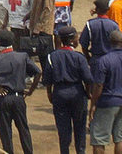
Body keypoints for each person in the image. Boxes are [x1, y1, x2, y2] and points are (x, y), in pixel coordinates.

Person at [0, 30, 39, 154]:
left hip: (3, 98)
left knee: (5, 130)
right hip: (19, 98)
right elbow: (38, 72)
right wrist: (31, 91)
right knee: (23, 128)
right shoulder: (22, 56)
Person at [88, 31, 122, 154]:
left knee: (99, 139)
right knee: (120, 138)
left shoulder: (104, 60)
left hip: (106, 103)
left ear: (110, 43)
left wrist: (93, 104)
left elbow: (98, 85)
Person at [44, 25, 93, 154]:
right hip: (77, 92)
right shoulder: (79, 57)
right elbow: (87, 78)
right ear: (72, 40)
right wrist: (88, 93)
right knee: (79, 127)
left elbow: (48, 78)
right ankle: (80, 151)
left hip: (59, 93)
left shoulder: (52, 56)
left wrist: (49, 93)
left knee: (63, 129)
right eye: (77, 37)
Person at [27, 0, 56, 72]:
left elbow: (47, 10)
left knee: (46, 57)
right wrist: (29, 16)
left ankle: (47, 79)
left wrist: (38, 27)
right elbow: (38, 6)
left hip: (44, 29)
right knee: (40, 54)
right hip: (37, 24)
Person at [80, 0, 120, 73]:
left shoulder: (90, 24)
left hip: (96, 60)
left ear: (97, 9)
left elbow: (84, 44)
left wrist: (88, 58)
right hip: (111, 60)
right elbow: (118, 43)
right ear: (107, 9)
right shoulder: (114, 25)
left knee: (96, 83)